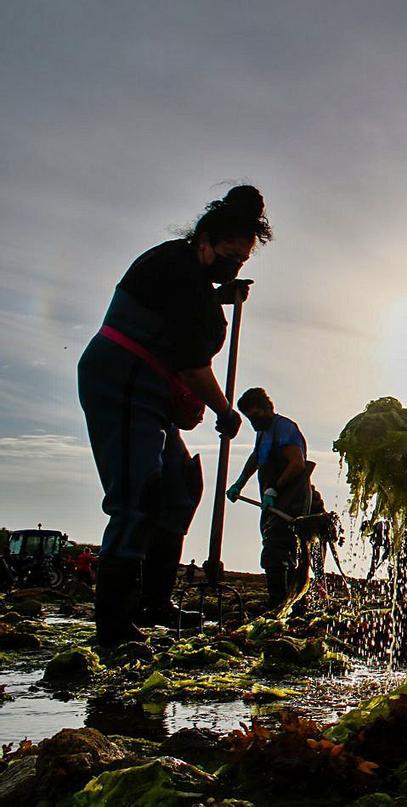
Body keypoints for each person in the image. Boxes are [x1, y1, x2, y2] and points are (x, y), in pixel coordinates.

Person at [78, 186, 270, 646]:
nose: (234, 266)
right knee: (136, 494)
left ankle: (154, 602)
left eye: (242, 262)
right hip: (122, 377)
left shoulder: (191, 275)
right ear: (204, 239)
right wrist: (225, 410)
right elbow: (192, 365)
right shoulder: (177, 268)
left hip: (150, 389)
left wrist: (221, 294)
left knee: (179, 486)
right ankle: (113, 627)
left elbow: (186, 307)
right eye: (230, 256)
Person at [225, 388, 313, 609]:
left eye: (254, 416)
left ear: (266, 409)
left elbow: (297, 463)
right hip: (271, 498)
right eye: (248, 418)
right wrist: (239, 482)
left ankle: (284, 603)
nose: (252, 422)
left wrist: (274, 488)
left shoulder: (284, 428)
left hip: (291, 497)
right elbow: (257, 457)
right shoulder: (262, 432)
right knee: (271, 540)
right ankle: (282, 600)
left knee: (280, 546)